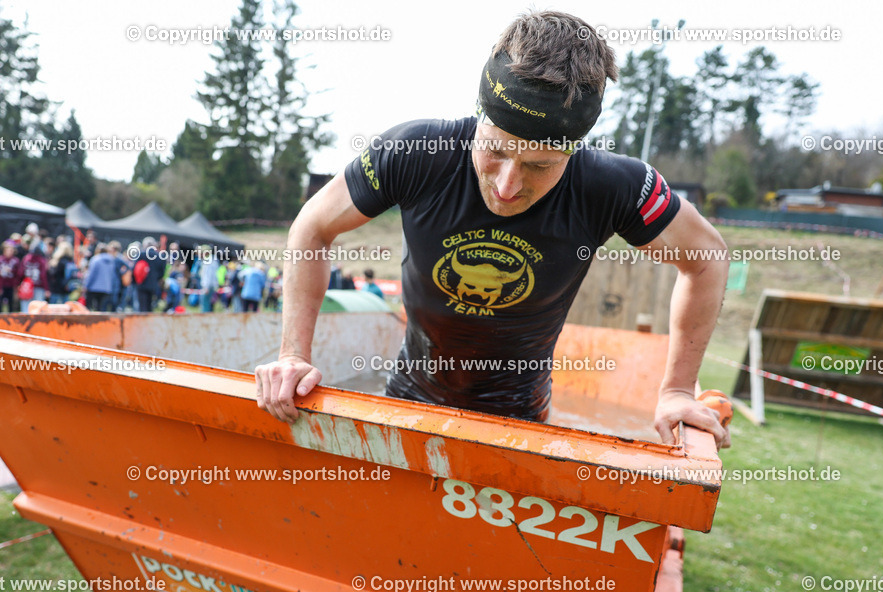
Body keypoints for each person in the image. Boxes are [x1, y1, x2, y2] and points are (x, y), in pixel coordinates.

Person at [255, 11, 730, 449]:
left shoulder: (611, 186)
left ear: (573, 151)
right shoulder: (417, 153)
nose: (507, 185)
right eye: (496, 151)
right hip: (406, 401)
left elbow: (706, 258)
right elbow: (311, 227)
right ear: (480, 117)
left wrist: (676, 391)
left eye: (539, 165)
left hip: (520, 419)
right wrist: (293, 354)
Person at [83, 243, 118, 311]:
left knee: (88, 307)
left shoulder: (96, 259)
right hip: (106, 289)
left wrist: (86, 286)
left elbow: (91, 274)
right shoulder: (112, 261)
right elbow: (113, 276)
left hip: (93, 288)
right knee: (101, 308)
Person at [19, 243, 50, 312]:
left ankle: (25, 322)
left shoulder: (26, 258)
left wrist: (20, 284)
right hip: (38, 286)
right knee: (38, 307)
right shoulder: (41, 260)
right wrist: (46, 288)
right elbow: (43, 276)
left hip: (27, 286)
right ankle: (37, 322)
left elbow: (20, 273)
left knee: (26, 308)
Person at [0, 240, 22, 312]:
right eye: (8, 250)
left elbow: (18, 273)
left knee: (11, 304)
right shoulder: (0, 259)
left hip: (11, 285)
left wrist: (16, 286)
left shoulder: (15, 260)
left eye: (11, 250)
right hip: (2, 285)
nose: (9, 252)